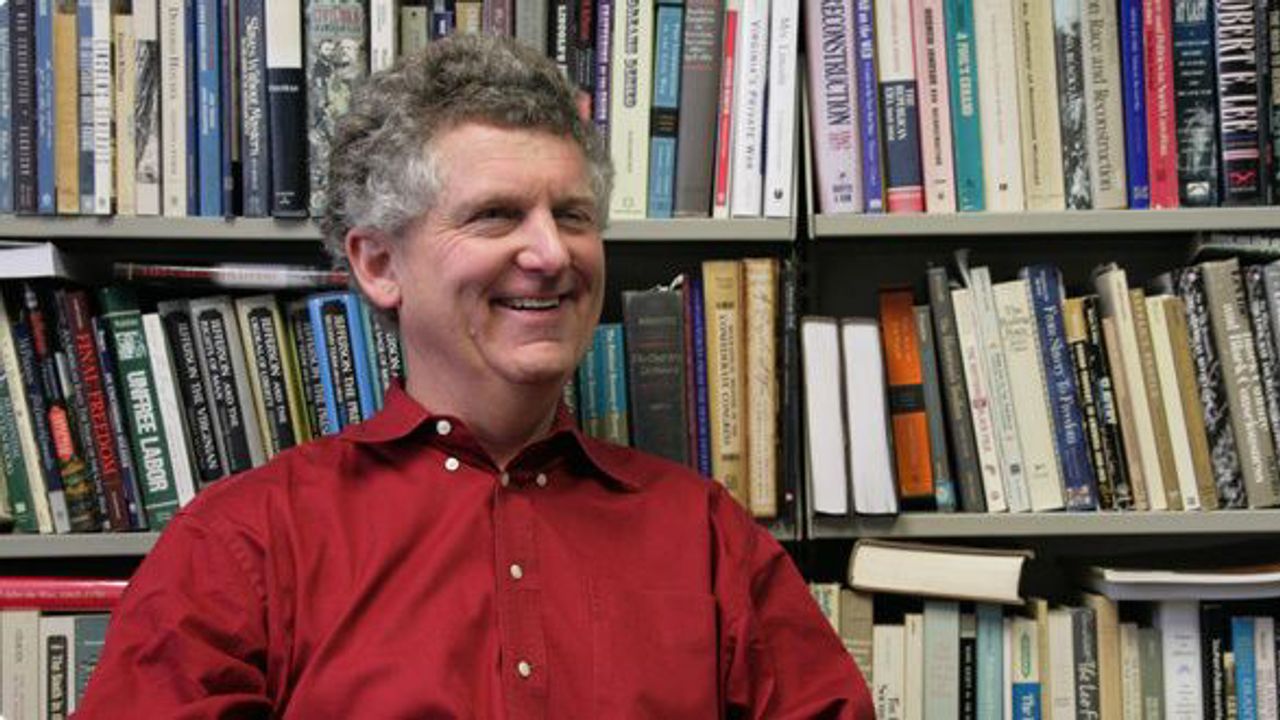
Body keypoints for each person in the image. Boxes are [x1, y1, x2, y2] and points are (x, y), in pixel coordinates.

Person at [75, 35, 874, 718]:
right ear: (379, 265)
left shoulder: (706, 537)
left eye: (573, 216)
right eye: (496, 215)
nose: (552, 253)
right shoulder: (243, 546)